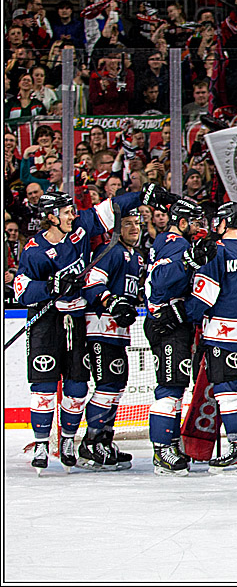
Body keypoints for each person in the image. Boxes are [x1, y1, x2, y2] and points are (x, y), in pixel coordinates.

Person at [14, 185, 154, 472]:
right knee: (43, 386)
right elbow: (21, 289)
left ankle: (67, 439)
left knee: (77, 386)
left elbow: (111, 207)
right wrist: (49, 286)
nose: (72, 216)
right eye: (66, 213)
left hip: (76, 318)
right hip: (46, 321)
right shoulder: (34, 250)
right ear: (50, 217)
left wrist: (145, 194)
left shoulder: (79, 229)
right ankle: (41, 443)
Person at [186, 202, 237, 474]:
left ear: (225, 222)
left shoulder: (218, 251)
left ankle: (236, 449)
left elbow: (203, 297)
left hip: (223, 333)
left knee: (228, 392)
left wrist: (183, 314)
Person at [79, 208, 146, 470]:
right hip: (100, 328)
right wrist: (111, 300)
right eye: (127, 224)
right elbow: (93, 284)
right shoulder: (110, 251)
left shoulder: (136, 258)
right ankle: (91, 443)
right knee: (108, 385)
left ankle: (105, 441)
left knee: (116, 386)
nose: (134, 229)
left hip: (118, 331)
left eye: (136, 223)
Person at [145, 196, 207, 476]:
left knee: (176, 386)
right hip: (166, 323)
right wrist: (189, 260)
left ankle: (169, 442)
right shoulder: (178, 244)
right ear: (182, 222)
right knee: (170, 388)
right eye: (194, 222)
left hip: (172, 321)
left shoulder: (168, 241)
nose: (198, 227)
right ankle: (162, 451)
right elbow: (159, 280)